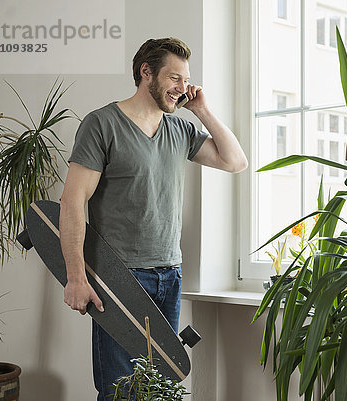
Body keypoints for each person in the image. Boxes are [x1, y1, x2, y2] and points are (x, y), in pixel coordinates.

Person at [59, 37, 247, 400]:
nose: (183, 88)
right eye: (174, 78)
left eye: (186, 79)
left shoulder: (180, 130)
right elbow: (71, 202)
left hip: (169, 275)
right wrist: (76, 277)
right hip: (119, 276)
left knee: (157, 389)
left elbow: (235, 161)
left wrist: (203, 111)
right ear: (146, 72)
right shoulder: (102, 124)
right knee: (121, 390)